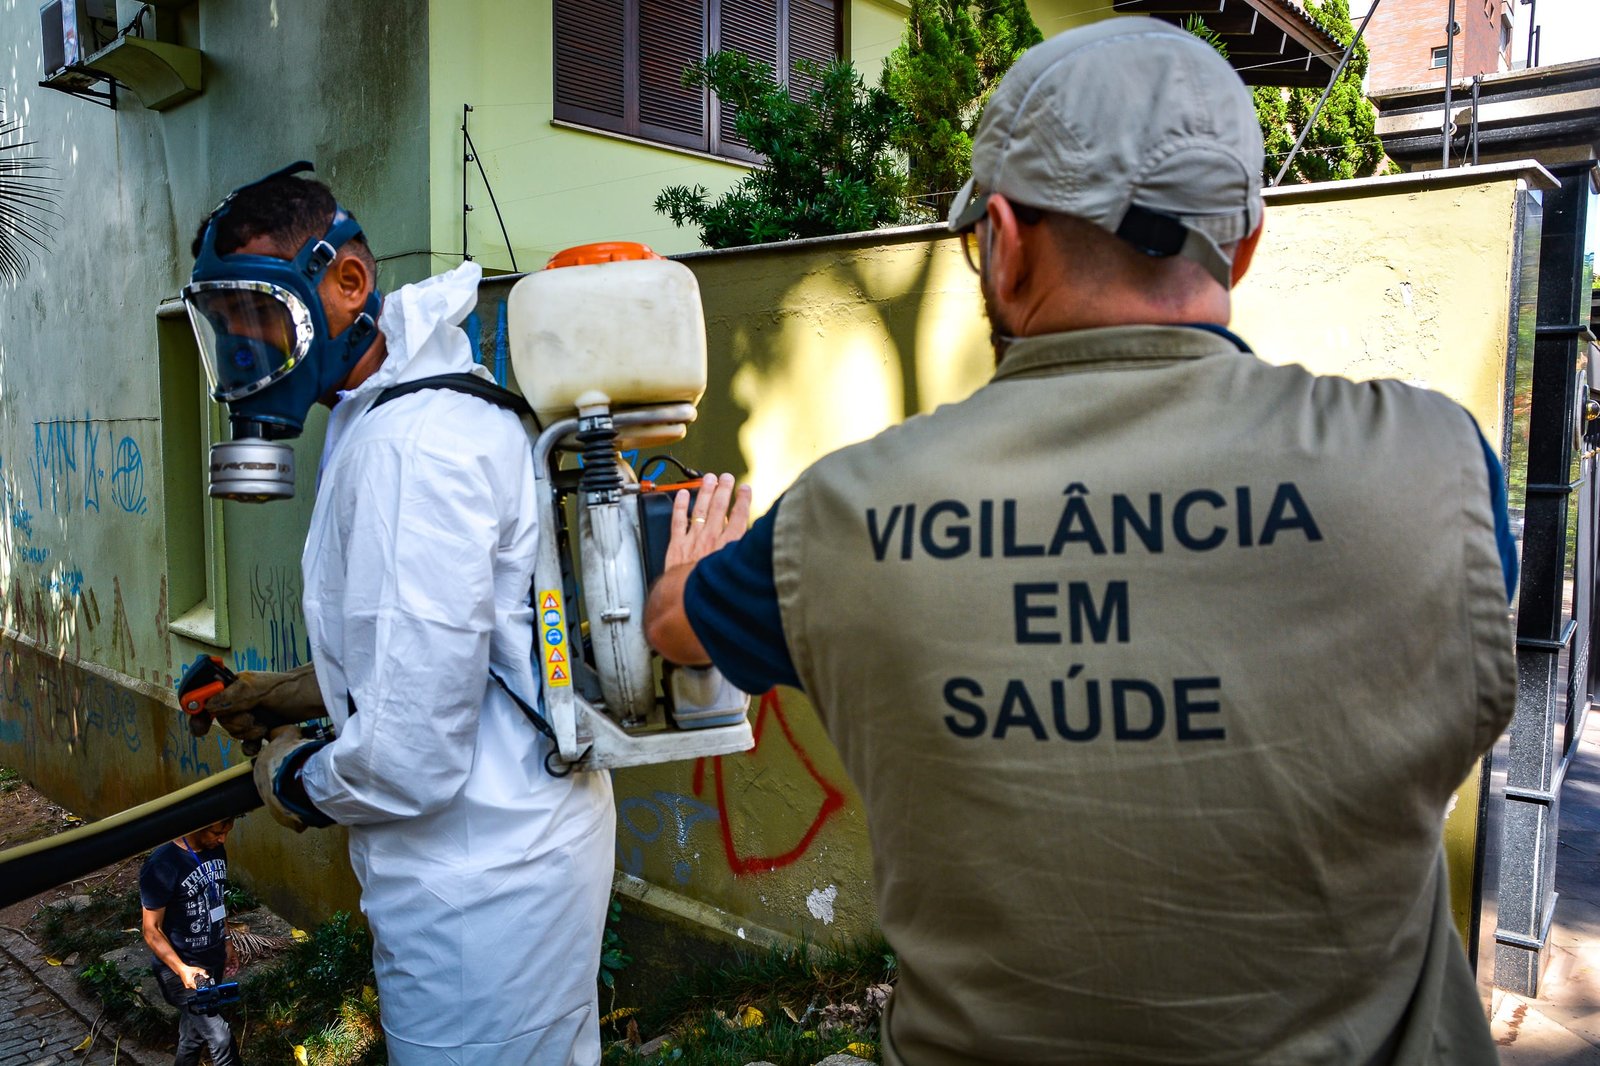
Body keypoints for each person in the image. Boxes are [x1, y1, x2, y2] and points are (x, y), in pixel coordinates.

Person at [644, 17, 1519, 1066]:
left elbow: (674, 628)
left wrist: (688, 573)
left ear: (1002, 242)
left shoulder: (840, 514)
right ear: (1241, 243)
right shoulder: (1433, 472)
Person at [180, 167, 615, 1064]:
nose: (249, 350)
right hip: (520, 852)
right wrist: (300, 691)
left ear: (347, 282)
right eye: (229, 326)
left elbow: (409, 760)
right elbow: (466, 641)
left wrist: (289, 774)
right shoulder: (422, 406)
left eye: (263, 315)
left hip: (479, 893)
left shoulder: (410, 447)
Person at [139, 818, 240, 1066]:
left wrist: (227, 940)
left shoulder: (216, 849)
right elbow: (151, 930)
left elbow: (216, 899)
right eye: (217, 832)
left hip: (212, 960)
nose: (222, 839)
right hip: (180, 971)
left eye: (228, 831)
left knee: (192, 1038)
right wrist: (183, 969)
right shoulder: (162, 864)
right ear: (197, 824)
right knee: (220, 1036)